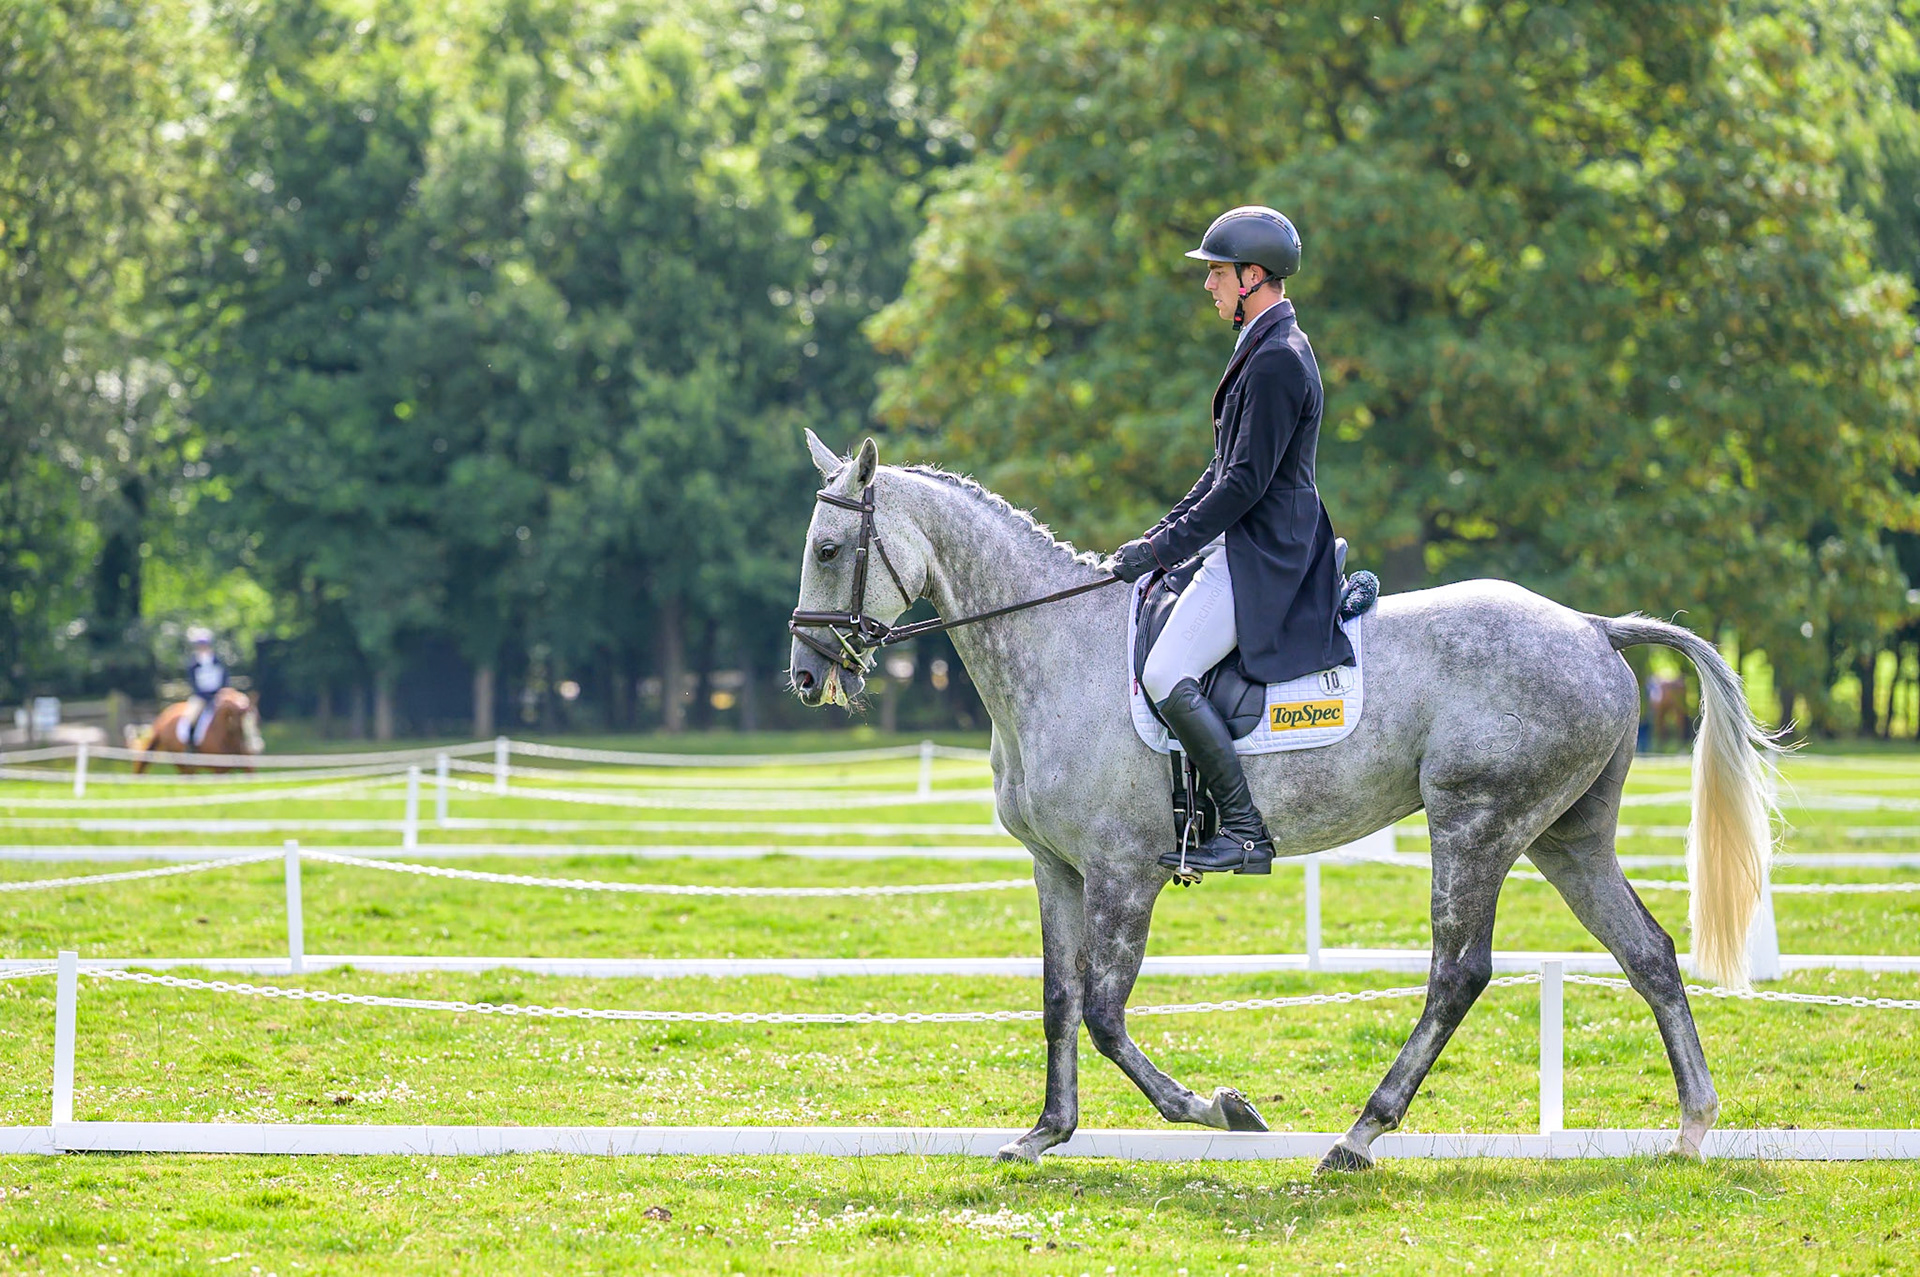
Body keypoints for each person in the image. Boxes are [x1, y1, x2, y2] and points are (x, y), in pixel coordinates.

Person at [1108, 205, 1355, 876]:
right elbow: (1220, 472)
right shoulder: (1263, 348)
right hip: (1245, 541)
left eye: (1216, 273)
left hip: (1265, 553)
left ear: (1252, 275)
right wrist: (1158, 537)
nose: (1208, 285)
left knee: (1162, 672)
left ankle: (1244, 828)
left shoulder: (1278, 359)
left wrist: (1162, 552)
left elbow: (1243, 485)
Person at [179, 627, 229, 749]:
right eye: (200, 644)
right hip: (201, 697)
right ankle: (190, 745)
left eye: (205, 644)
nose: (203, 646)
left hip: (218, 696)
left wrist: (221, 693)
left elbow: (224, 677)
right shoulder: (193, 664)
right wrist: (204, 696)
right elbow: (193, 683)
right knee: (192, 717)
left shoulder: (217, 661)